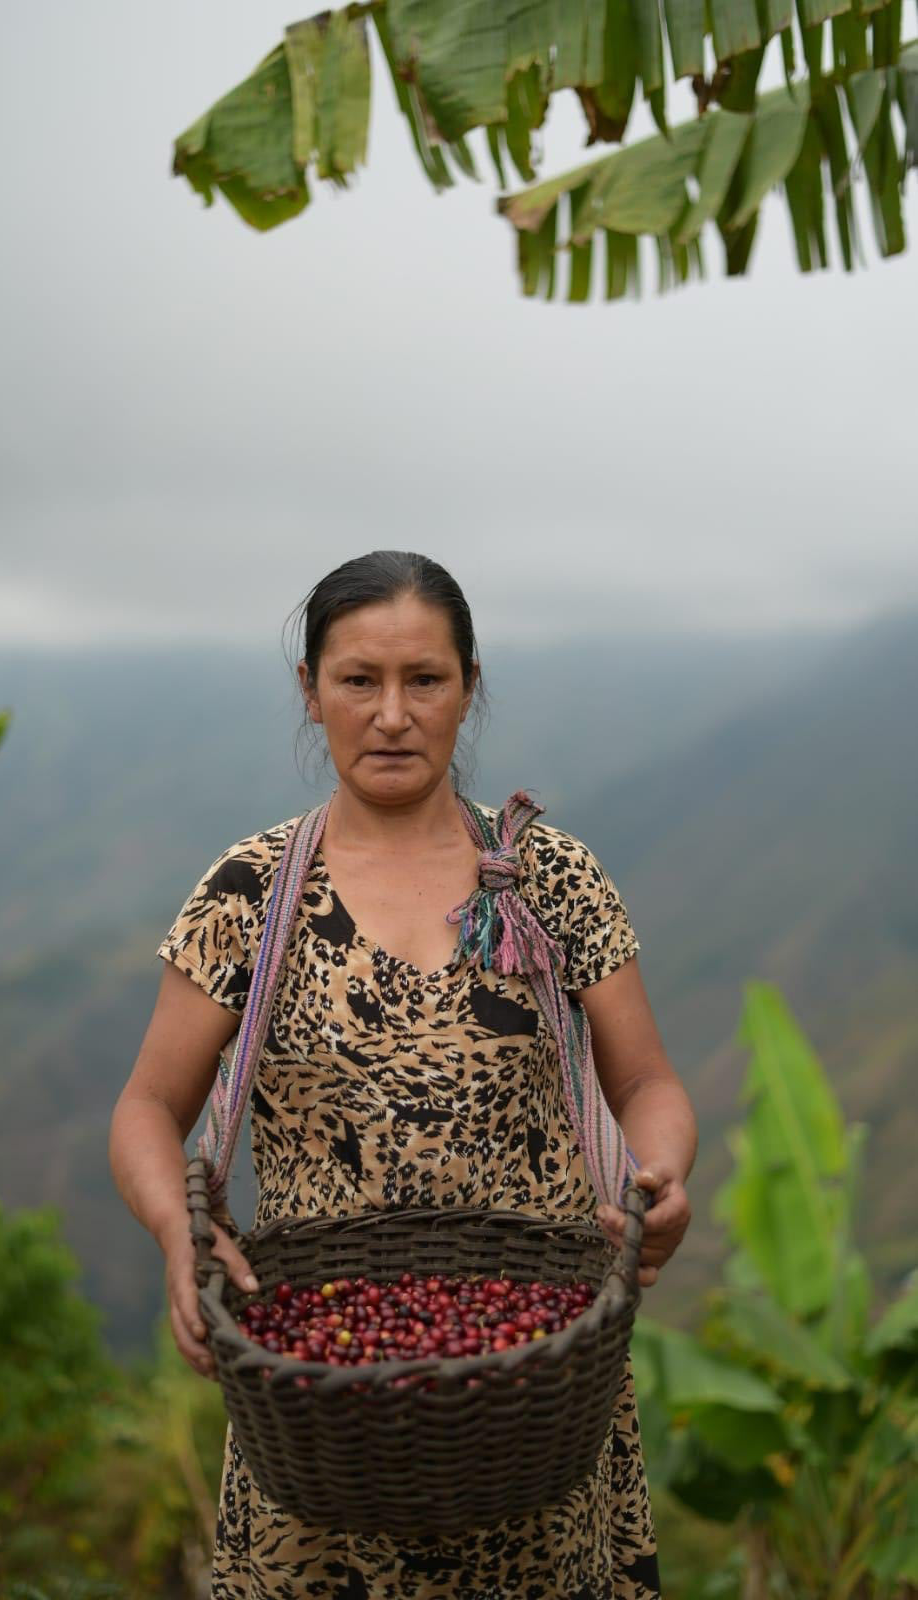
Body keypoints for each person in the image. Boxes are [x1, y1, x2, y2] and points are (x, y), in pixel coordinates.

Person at [109, 550, 697, 1600]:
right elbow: (149, 1107)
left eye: (423, 680)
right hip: (317, 1400)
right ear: (309, 689)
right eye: (357, 680)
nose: (390, 714)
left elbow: (645, 1084)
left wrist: (655, 1184)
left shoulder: (545, 877)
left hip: (533, 1389)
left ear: (468, 686)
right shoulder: (248, 893)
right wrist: (175, 1227)